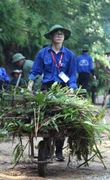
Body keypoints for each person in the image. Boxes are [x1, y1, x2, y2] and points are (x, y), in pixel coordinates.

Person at [27, 24, 77, 161]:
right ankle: (47, 144)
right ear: (51, 37)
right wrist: (30, 85)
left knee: (62, 119)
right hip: (46, 88)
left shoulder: (69, 55)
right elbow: (35, 71)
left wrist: (72, 88)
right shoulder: (43, 53)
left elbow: (72, 75)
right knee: (46, 118)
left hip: (63, 89)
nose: (60, 36)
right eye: (57, 33)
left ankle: (59, 150)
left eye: (62, 34)